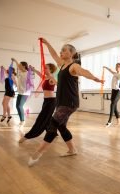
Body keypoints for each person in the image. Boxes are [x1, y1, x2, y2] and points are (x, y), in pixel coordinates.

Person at [28, 38, 104, 166]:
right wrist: (47, 43)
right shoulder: (62, 65)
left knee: (53, 124)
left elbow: (83, 72)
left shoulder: (73, 66)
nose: (61, 52)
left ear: (71, 53)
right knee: (61, 126)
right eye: (61, 50)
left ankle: (38, 153)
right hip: (62, 101)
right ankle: (72, 149)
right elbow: (53, 54)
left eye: (64, 50)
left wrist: (94, 78)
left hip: (70, 102)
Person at [19, 63, 57, 143]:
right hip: (46, 101)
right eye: (44, 68)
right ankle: (52, 132)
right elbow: (40, 74)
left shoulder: (51, 78)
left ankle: (28, 136)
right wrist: (34, 69)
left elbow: (59, 85)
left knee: (40, 119)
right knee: (48, 118)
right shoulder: (46, 78)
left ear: (51, 69)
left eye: (46, 68)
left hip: (51, 101)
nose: (44, 69)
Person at [11, 58, 31, 127]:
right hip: (20, 92)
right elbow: (18, 66)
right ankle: (21, 120)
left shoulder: (28, 73)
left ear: (24, 66)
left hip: (25, 93)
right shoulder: (20, 72)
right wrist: (15, 60)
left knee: (19, 106)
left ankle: (22, 121)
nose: (18, 67)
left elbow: (30, 83)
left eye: (20, 66)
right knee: (17, 106)